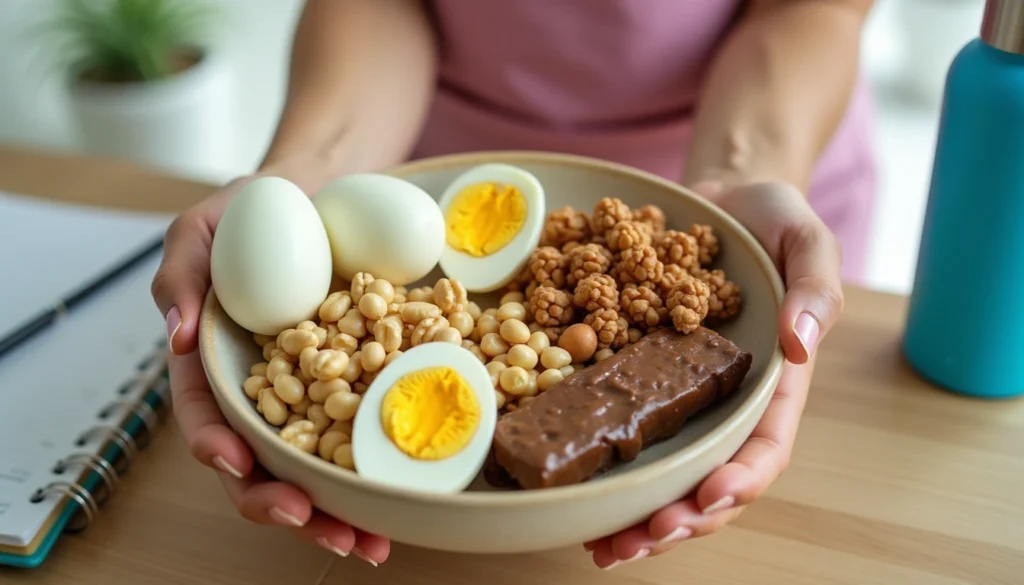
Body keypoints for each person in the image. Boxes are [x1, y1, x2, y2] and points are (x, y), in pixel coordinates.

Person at [151, 0, 871, 570]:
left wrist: (742, 182)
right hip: (430, 185)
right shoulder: (440, 294)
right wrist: (309, 172)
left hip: (740, 167)